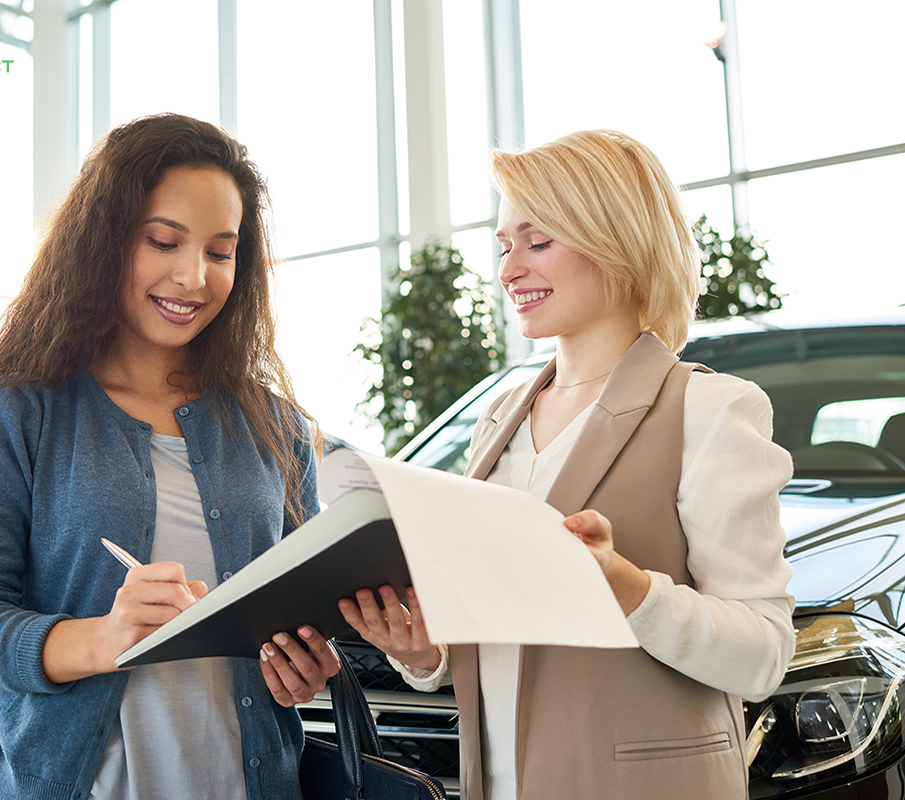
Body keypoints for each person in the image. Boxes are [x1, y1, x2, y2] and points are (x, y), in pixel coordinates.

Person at [339, 130, 795, 800]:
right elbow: (503, 640)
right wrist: (424, 654)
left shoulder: (709, 408)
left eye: (538, 241)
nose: (508, 270)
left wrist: (627, 589)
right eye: (504, 245)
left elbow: (763, 655)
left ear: (618, 239)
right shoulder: (498, 420)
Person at [0, 113, 339, 800]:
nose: (194, 276)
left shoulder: (276, 426)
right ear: (106, 241)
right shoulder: (22, 411)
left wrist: (304, 663)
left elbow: (304, 609)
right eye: (163, 241)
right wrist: (101, 638)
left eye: (221, 251)